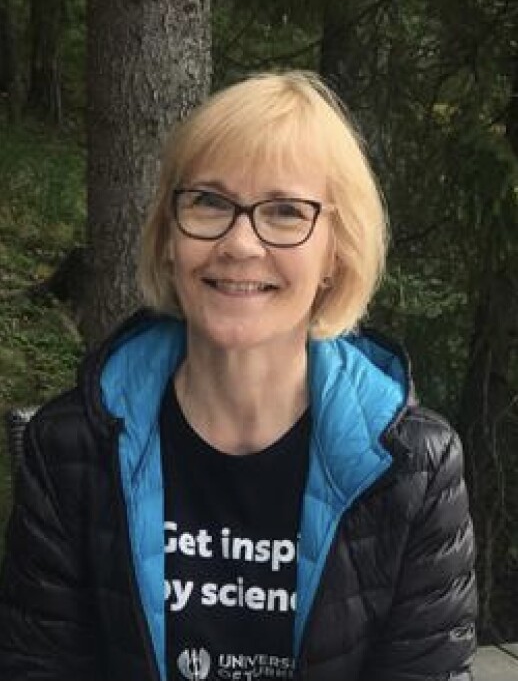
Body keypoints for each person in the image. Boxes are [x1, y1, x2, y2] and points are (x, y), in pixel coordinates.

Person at [0, 70, 477, 681]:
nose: (240, 242)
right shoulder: (71, 448)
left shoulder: (415, 468)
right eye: (209, 202)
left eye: (285, 211)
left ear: (336, 254)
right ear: (168, 237)